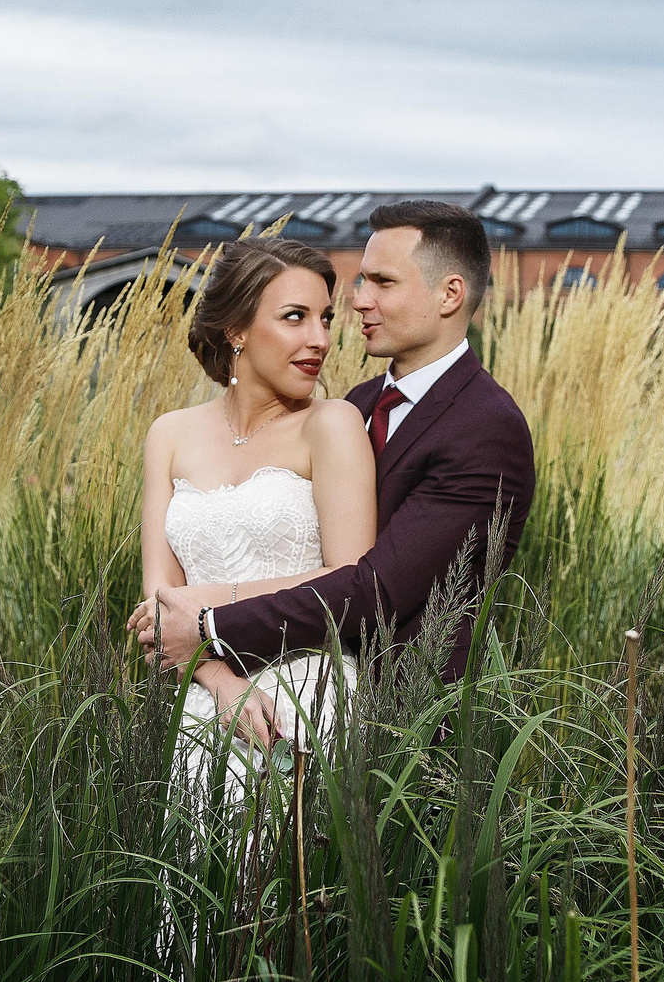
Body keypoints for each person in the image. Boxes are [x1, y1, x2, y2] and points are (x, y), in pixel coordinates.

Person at [137, 199, 536, 727]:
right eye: (359, 282)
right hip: (219, 694)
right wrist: (212, 672)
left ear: (450, 293)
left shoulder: (486, 427)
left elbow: (375, 587)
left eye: (382, 283)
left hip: (409, 721)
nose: (358, 303)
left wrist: (207, 619)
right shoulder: (360, 402)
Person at [126, 236, 376, 756]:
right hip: (202, 702)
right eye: (294, 317)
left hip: (308, 694)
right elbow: (157, 607)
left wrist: (204, 603)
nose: (320, 339)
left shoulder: (332, 425)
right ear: (236, 330)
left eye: (325, 319)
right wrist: (222, 684)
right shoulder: (169, 435)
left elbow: (350, 579)